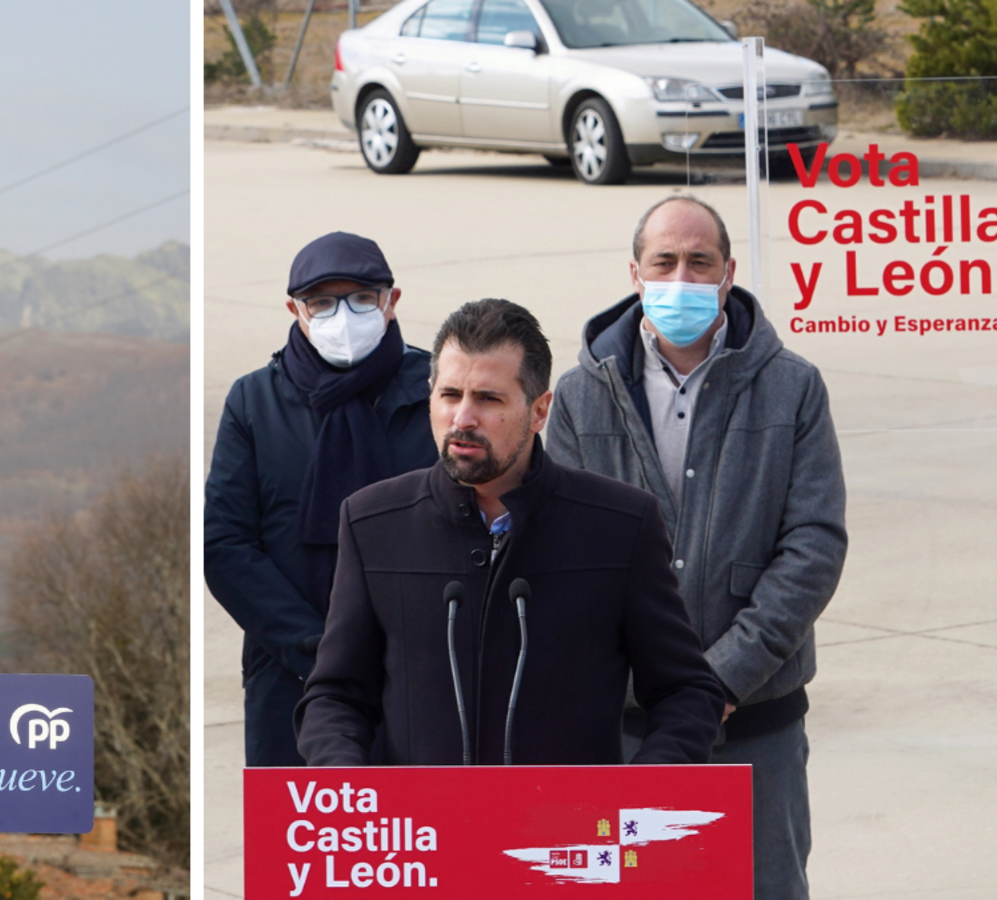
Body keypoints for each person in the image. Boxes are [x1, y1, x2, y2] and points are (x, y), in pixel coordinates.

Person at [545, 196, 846, 900]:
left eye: (699, 262)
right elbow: (561, 558)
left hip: (757, 728)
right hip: (625, 731)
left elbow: (814, 544)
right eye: (665, 262)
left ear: (729, 272)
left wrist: (720, 679)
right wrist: (656, 685)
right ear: (636, 273)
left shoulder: (792, 388)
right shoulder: (581, 397)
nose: (682, 276)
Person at [296, 298, 722, 767]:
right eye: (450, 395)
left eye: (488, 399)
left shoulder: (621, 523)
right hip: (422, 832)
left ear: (540, 411)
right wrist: (348, 787)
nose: (463, 419)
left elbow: (686, 690)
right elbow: (335, 696)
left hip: (568, 833)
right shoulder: (372, 522)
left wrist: (638, 795)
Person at [205, 231, 436, 766]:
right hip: (292, 675)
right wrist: (319, 652)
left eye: (361, 298)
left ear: (391, 301)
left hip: (418, 676)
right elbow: (226, 546)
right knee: (306, 838)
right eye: (322, 303)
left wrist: (406, 652)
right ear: (296, 310)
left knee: (418, 840)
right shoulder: (254, 401)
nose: (343, 317)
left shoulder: (437, 393)